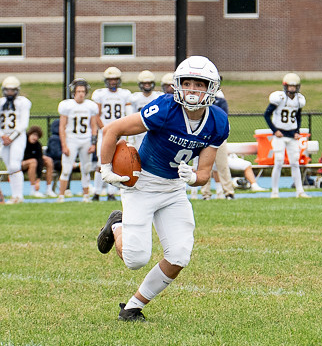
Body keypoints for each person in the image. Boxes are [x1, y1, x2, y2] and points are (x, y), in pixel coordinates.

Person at [95, 55, 229, 322]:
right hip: (142, 184)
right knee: (135, 259)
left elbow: (203, 174)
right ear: (178, 84)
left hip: (174, 190)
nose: (192, 89)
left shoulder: (218, 121)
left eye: (199, 84)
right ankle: (116, 225)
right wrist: (105, 166)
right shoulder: (165, 108)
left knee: (179, 255)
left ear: (210, 88)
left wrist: (192, 178)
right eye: (187, 83)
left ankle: (132, 307)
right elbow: (113, 129)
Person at [265, 72, 309, 198]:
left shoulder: (299, 100)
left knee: (295, 162)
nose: (292, 89)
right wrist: (274, 130)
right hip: (279, 134)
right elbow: (266, 114)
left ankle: (300, 191)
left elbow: (298, 116)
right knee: (278, 161)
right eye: (290, 86)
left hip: (291, 134)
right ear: (285, 86)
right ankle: (274, 192)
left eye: (294, 86)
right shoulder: (279, 98)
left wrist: (297, 131)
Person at [91, 67, 132, 201]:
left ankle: (111, 193)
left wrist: (121, 130)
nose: (112, 82)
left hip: (120, 132)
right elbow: (96, 115)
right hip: (105, 132)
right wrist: (105, 130)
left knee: (116, 163)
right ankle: (96, 192)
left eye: (114, 79)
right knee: (100, 163)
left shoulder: (125, 94)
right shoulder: (100, 94)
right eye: (110, 80)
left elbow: (128, 114)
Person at [57, 78, 99, 202]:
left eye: (83, 91)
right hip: (72, 140)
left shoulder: (91, 106)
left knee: (86, 169)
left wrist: (93, 143)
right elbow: (62, 126)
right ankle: (61, 196)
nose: (81, 93)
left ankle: (86, 196)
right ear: (73, 92)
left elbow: (93, 126)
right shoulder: (67, 105)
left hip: (86, 140)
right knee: (66, 168)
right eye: (78, 91)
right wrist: (64, 145)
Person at [0, 76, 31, 204]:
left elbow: (23, 124)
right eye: (7, 90)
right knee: (9, 167)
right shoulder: (0, 103)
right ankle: (14, 195)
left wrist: (10, 137)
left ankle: (19, 195)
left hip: (17, 137)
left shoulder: (23, 102)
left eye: (12, 90)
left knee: (15, 165)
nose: (10, 93)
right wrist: (1, 135)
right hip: (4, 137)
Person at [128, 70, 163, 151]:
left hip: (155, 131)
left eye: (149, 83)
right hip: (139, 131)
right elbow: (131, 117)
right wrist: (131, 139)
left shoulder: (159, 96)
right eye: (144, 84)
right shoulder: (134, 98)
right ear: (140, 84)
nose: (147, 86)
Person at [22, 125, 55, 198]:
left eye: (37, 136)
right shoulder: (23, 141)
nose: (35, 138)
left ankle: (49, 189)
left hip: (33, 163)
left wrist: (38, 179)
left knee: (48, 160)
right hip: (21, 163)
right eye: (34, 135)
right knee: (33, 161)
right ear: (30, 134)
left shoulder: (37, 145)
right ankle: (33, 190)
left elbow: (39, 160)